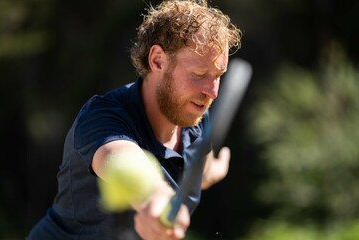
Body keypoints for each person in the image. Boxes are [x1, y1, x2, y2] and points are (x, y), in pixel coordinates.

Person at [27, 0, 241, 239]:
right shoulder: (102, 118)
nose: (213, 92)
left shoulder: (197, 118)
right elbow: (123, 162)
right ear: (157, 60)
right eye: (199, 74)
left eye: (218, 76)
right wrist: (155, 197)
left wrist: (212, 171)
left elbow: (200, 165)